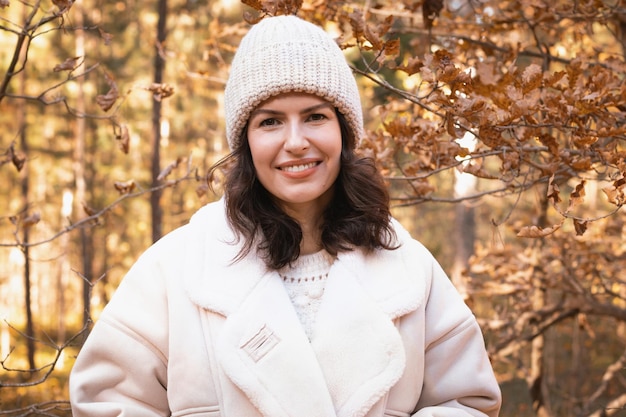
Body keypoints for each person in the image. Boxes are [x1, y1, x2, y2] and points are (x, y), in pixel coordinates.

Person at [69, 14, 502, 417]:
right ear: (246, 142)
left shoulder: (408, 266)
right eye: (270, 122)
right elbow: (107, 401)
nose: (295, 142)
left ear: (344, 132)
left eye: (315, 117)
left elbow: (467, 401)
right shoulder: (176, 268)